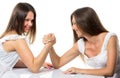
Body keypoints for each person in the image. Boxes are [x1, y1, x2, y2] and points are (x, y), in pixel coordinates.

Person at [43, 7, 120, 78]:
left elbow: (110, 71)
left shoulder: (110, 38)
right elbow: (58, 63)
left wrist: (79, 70)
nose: (73, 27)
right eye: (72, 24)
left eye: (75, 23)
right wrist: (50, 45)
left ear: (85, 22)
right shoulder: (80, 44)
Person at [0, 2, 55, 77]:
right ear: (17, 19)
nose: (30, 24)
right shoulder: (17, 40)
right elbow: (34, 68)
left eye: (32, 21)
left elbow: (9, 62)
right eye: (27, 20)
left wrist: (41, 63)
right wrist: (49, 45)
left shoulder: (6, 35)